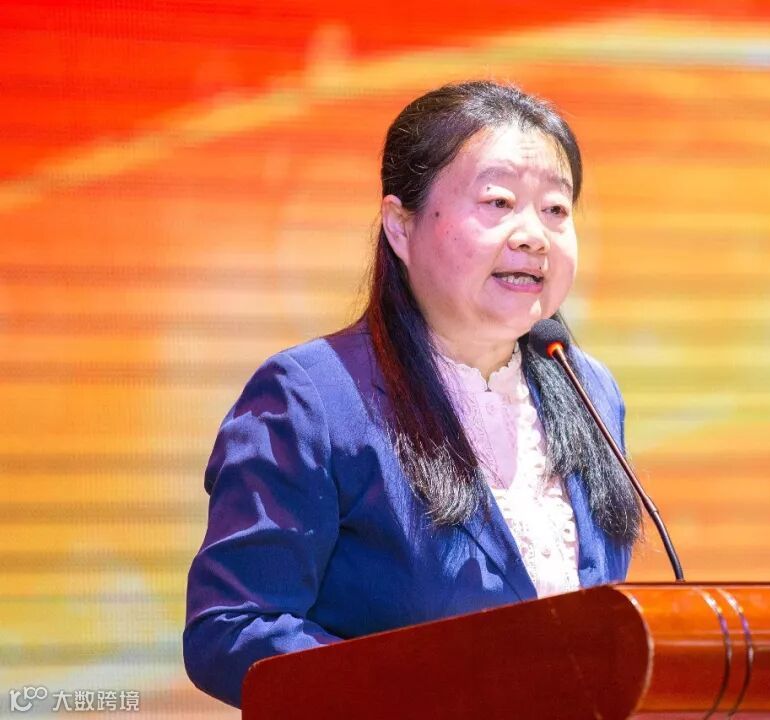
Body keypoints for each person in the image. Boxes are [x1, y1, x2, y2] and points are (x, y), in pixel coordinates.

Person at [183, 81, 642, 708]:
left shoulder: (589, 390)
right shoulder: (313, 397)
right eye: (499, 202)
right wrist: (415, 697)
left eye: (556, 210)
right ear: (401, 227)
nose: (534, 235)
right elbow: (232, 628)